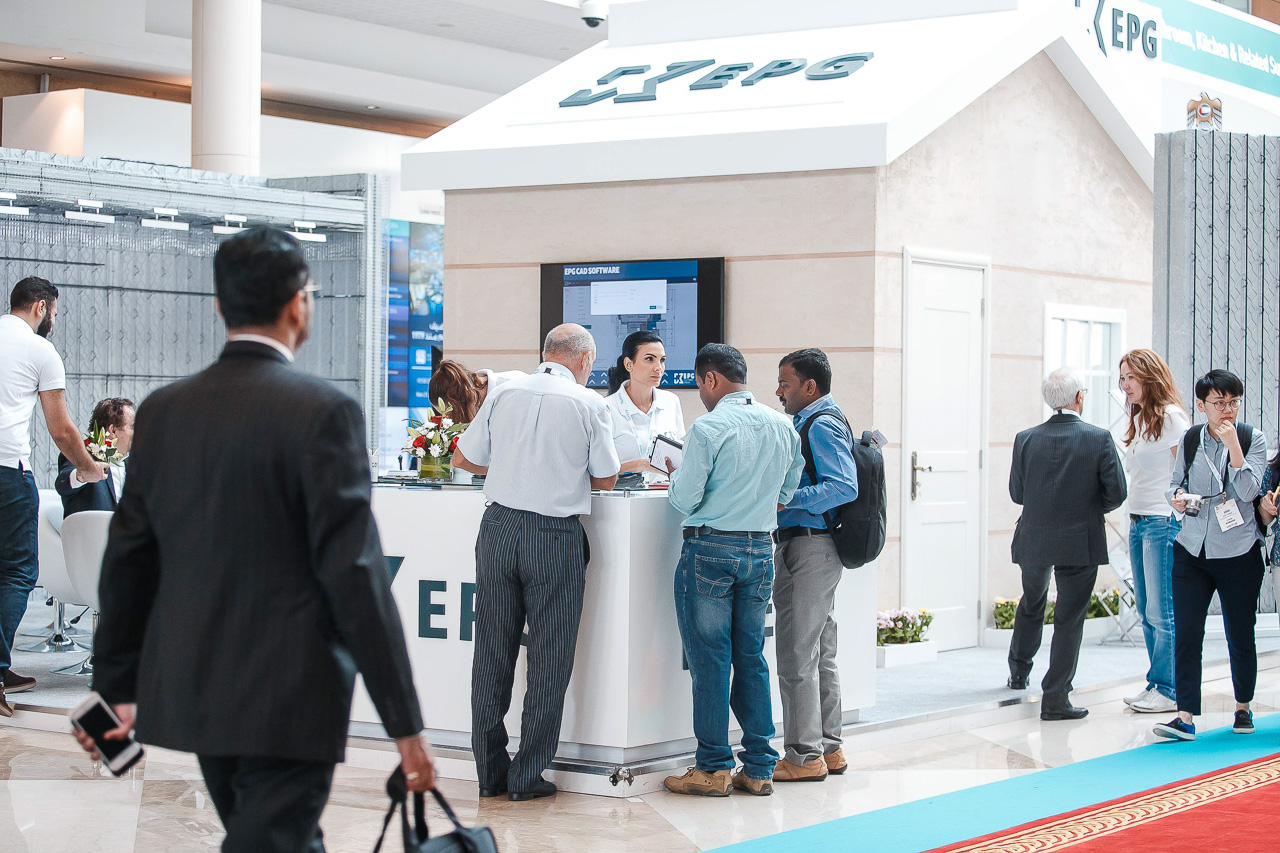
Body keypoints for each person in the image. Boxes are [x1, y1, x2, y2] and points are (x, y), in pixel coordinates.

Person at [75, 227, 435, 853]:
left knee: (277, 838)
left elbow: (129, 560)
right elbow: (355, 575)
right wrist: (405, 725)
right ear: (300, 304)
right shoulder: (323, 411)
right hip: (293, 694)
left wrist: (114, 686)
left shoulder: (165, 410)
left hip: (196, 685)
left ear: (220, 305)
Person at [452, 324, 620, 802]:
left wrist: (511, 465)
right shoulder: (589, 404)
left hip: (498, 529)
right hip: (553, 536)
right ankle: (526, 777)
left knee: (491, 651)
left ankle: (490, 773)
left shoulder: (504, 393)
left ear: (546, 353)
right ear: (584, 361)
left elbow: (464, 458)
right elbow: (606, 479)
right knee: (550, 657)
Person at [662, 343, 803, 798]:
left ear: (710, 379)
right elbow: (787, 492)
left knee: (710, 663)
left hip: (709, 550)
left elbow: (684, 499)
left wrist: (676, 477)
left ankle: (713, 768)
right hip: (760, 550)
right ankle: (760, 767)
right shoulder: (783, 425)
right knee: (751, 659)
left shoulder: (708, 428)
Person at [0, 276, 107, 716]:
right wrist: (88, 467)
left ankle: (3, 666)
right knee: (18, 573)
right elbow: (61, 428)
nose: (54, 324)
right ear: (41, 307)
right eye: (55, 315)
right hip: (7, 472)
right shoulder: (39, 349)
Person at [1007, 368, 1127, 720]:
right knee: (1069, 619)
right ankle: (1056, 698)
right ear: (1079, 397)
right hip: (1080, 539)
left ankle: (1018, 671)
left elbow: (1017, 493)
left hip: (1034, 536)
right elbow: (1117, 493)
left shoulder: (1025, 438)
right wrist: (1088, 508)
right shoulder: (1099, 438)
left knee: (1032, 601)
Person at [1155, 369, 1268, 743]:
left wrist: (1234, 446)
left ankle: (1243, 706)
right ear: (1201, 405)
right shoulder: (1190, 439)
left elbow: (1248, 490)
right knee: (1188, 633)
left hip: (1238, 551)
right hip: (1192, 549)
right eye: (1220, 403)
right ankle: (1184, 716)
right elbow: (1175, 484)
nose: (1228, 409)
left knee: (1240, 633)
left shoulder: (1252, 438)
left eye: (1233, 402)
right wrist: (1176, 499)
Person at [771, 348, 858, 782]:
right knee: (819, 652)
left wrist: (785, 500)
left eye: (785, 384)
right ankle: (829, 748)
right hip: (814, 547)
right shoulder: (816, 421)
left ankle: (804, 757)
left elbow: (843, 485)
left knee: (796, 653)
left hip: (809, 547)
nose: (778, 392)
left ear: (809, 386)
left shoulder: (820, 423)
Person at [1117, 350, 1190, 715]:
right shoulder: (1140, 419)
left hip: (1162, 523)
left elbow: (1187, 473)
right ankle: (1157, 682)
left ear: (1149, 376)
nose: (1125, 385)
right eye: (1122, 378)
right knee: (1146, 611)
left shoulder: (1172, 418)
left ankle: (1170, 689)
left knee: (1163, 612)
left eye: (1131, 376)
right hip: (1138, 522)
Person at [603, 330, 685, 477]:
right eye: (649, 359)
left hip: (664, 490)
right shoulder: (606, 408)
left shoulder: (671, 401)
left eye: (662, 360)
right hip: (621, 491)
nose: (658, 367)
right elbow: (598, 472)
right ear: (629, 364)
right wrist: (641, 465)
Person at [55, 397, 135, 517]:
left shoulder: (134, 463)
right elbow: (62, 485)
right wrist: (82, 474)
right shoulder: (82, 454)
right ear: (113, 431)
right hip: (91, 527)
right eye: (133, 427)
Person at [427, 359, 524, 423]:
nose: (450, 420)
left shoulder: (514, 388)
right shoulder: (475, 408)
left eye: (449, 414)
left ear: (460, 399)